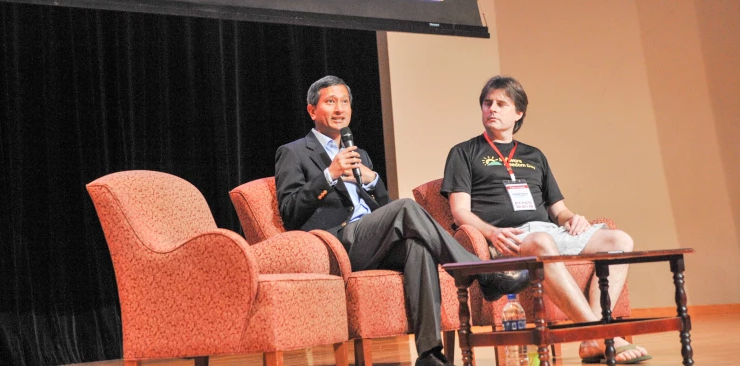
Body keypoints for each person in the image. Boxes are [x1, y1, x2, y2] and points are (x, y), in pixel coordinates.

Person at [276, 75, 529, 366]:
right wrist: (328, 175)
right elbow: (290, 212)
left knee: (417, 247)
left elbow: (384, 210)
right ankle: (481, 273)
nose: (339, 109)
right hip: (335, 241)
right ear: (312, 110)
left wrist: (374, 183)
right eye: (330, 102)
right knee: (406, 208)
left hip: (368, 240)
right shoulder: (293, 152)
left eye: (344, 102)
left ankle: (429, 354)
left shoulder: (361, 155)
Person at [441, 75, 651, 364]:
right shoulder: (464, 152)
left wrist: (571, 218)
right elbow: (459, 210)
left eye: (501, 104)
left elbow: (558, 209)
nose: (492, 109)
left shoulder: (534, 155)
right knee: (541, 240)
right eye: (487, 103)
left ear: (518, 113)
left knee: (620, 239)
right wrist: (492, 233)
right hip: (509, 237)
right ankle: (603, 334)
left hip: (549, 231)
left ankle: (591, 341)